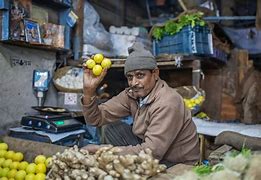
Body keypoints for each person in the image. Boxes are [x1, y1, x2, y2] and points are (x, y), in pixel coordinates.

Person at [81, 42, 200, 167]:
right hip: (154, 152)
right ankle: (125, 168)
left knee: (138, 155)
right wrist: (88, 91)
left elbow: (152, 152)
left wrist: (103, 150)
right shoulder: (133, 94)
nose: (134, 82)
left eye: (140, 75)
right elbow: (95, 119)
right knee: (111, 128)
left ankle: (129, 170)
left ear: (155, 74)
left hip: (176, 164)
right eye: (130, 77)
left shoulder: (168, 102)